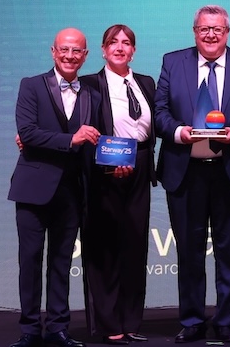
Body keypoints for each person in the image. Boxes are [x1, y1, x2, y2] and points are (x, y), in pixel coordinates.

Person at [154, 5, 230, 344]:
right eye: (204, 28)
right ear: (195, 31)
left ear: (227, 32)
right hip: (185, 171)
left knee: (229, 251)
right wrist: (179, 132)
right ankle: (191, 320)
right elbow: (159, 112)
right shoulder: (173, 62)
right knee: (188, 252)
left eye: (217, 29)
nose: (211, 34)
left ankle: (226, 321)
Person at [8, 28, 101, 347]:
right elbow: (27, 132)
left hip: (72, 190)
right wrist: (70, 139)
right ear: (53, 51)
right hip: (32, 189)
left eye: (76, 51)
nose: (70, 56)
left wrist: (119, 159)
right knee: (30, 261)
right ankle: (30, 330)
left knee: (62, 263)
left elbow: (97, 139)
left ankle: (58, 328)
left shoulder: (92, 94)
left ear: (85, 56)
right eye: (64, 49)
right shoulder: (31, 85)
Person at [79, 24, 157, 345]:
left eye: (126, 43)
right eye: (113, 42)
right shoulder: (89, 84)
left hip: (140, 166)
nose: (120, 47)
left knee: (135, 246)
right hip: (104, 170)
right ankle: (109, 324)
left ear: (133, 51)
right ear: (103, 49)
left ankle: (131, 321)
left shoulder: (146, 83)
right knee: (104, 248)